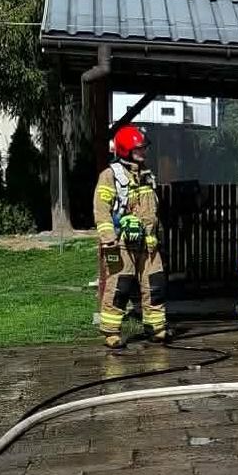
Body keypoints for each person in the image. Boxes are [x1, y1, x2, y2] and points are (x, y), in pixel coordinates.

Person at [94, 125, 169, 349]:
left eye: (144, 148)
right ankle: (111, 331)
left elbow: (153, 210)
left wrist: (157, 235)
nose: (143, 152)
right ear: (126, 150)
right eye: (139, 149)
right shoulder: (110, 176)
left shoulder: (146, 174)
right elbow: (101, 209)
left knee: (155, 285)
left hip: (148, 244)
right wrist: (110, 236)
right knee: (120, 286)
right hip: (122, 244)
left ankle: (157, 328)